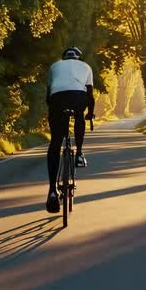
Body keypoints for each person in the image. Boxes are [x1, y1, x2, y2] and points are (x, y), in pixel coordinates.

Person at [45, 46, 95, 213]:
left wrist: (54, 115)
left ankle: (52, 190)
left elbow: (48, 95)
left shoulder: (54, 66)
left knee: (55, 142)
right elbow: (90, 95)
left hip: (57, 99)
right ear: (78, 58)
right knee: (80, 115)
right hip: (78, 97)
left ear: (64, 57)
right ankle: (79, 153)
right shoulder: (86, 67)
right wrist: (91, 114)